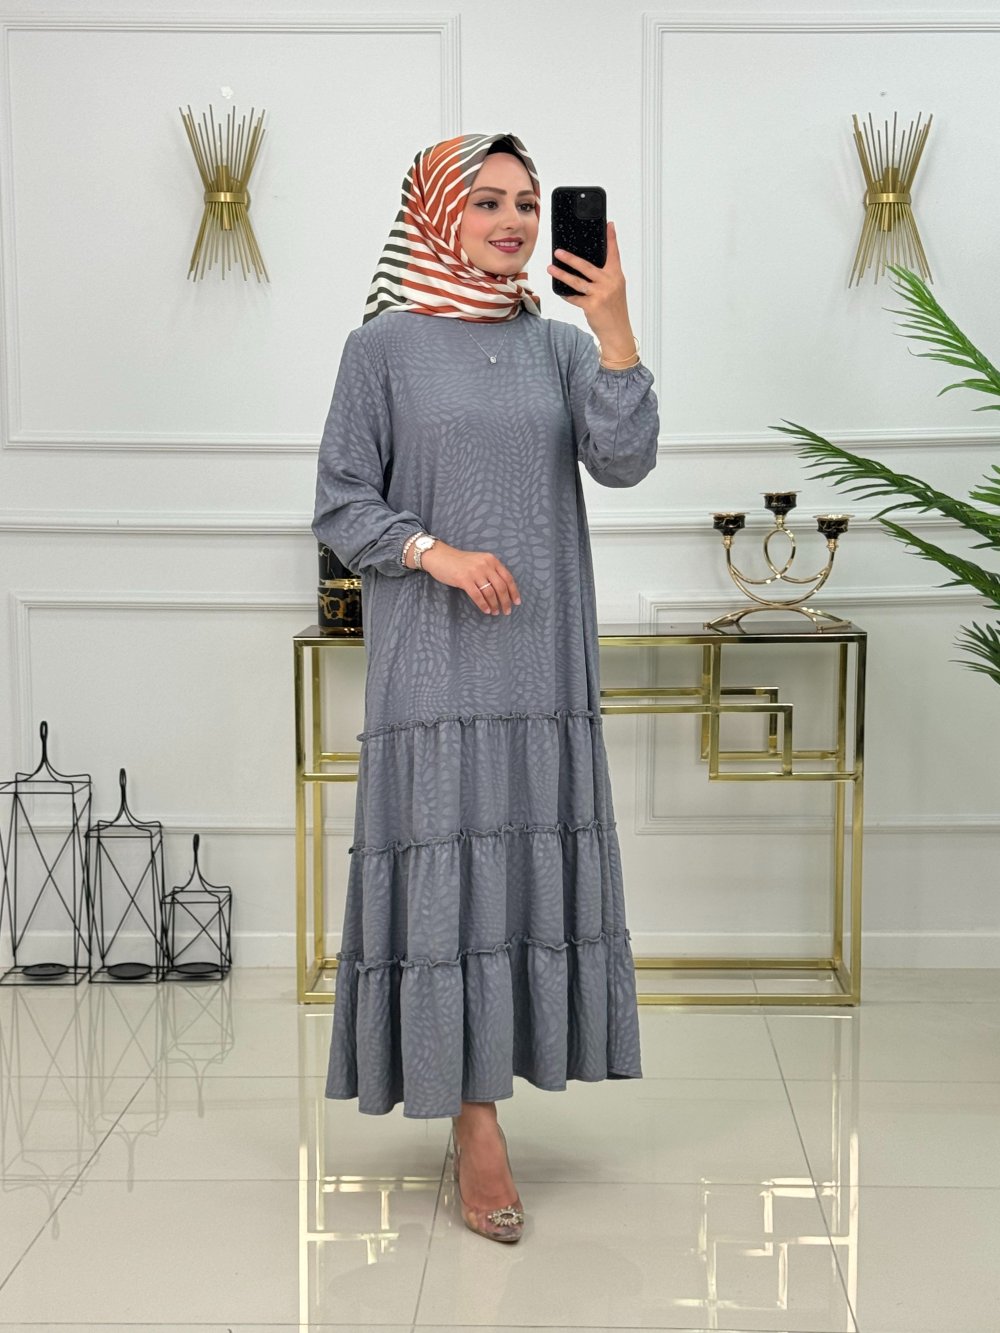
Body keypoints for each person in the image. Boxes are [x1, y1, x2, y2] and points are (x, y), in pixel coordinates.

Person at [312, 131, 659, 1244]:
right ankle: (473, 1122)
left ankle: (494, 1087)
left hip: (540, 659)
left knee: (515, 873)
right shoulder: (382, 348)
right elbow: (340, 500)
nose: (513, 222)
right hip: (432, 660)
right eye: (489, 201)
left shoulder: (559, 346)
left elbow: (624, 461)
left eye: (528, 204)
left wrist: (612, 327)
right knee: (446, 872)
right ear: (437, 213)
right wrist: (436, 553)